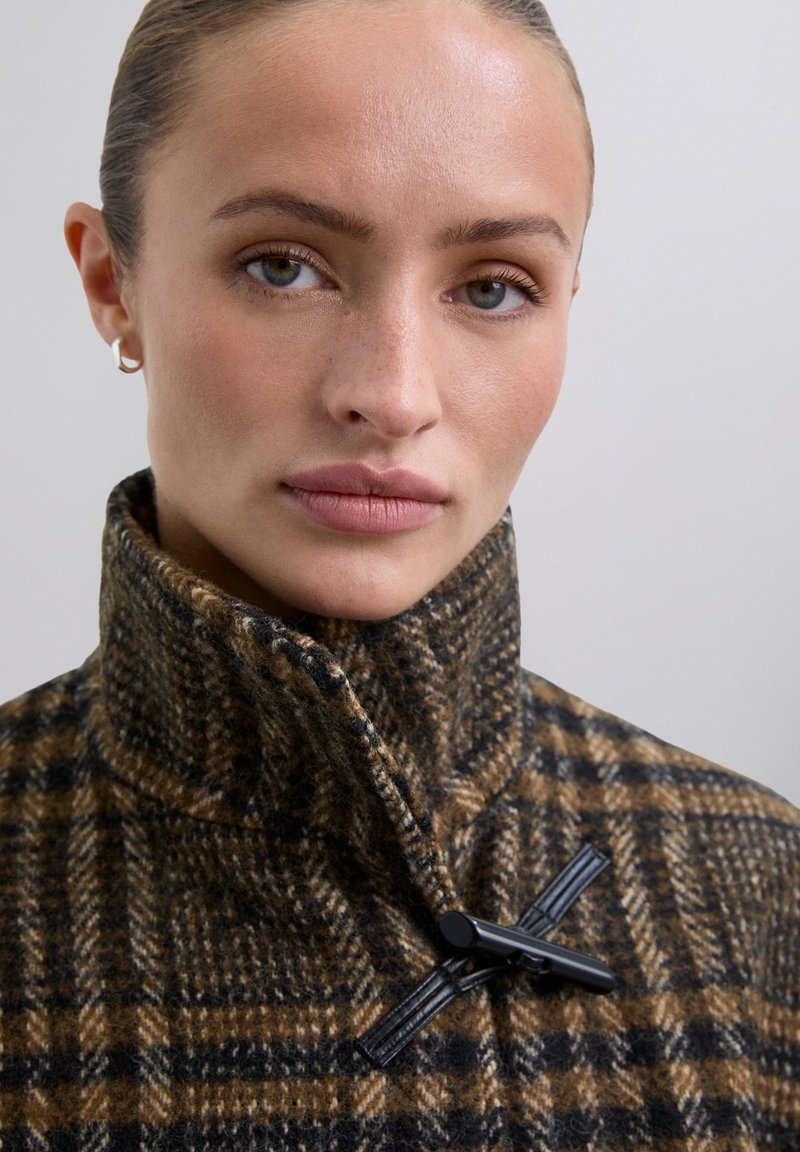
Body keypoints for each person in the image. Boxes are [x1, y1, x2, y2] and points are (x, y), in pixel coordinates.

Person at [0, 1, 797, 1148]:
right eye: (283, 267)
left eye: (492, 287)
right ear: (110, 281)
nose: (392, 395)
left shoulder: (760, 888)